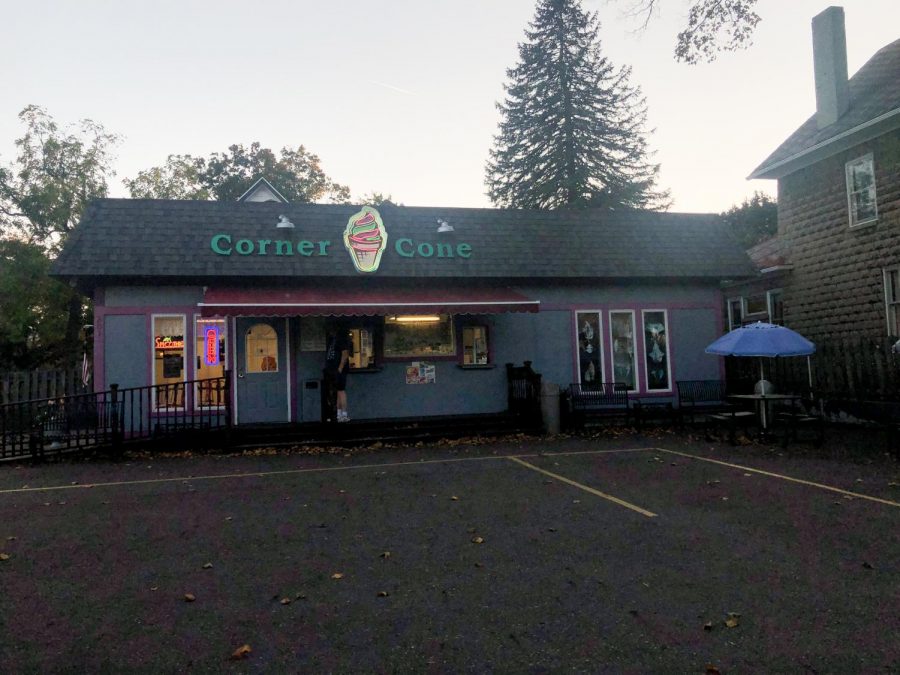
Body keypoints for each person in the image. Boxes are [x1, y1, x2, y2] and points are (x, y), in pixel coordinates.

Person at [325, 324, 351, 422]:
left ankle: (343, 414)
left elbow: (345, 354)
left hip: (339, 369)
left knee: (341, 390)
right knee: (337, 391)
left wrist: (340, 368)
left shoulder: (341, 340)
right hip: (333, 369)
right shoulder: (332, 340)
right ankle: (339, 414)